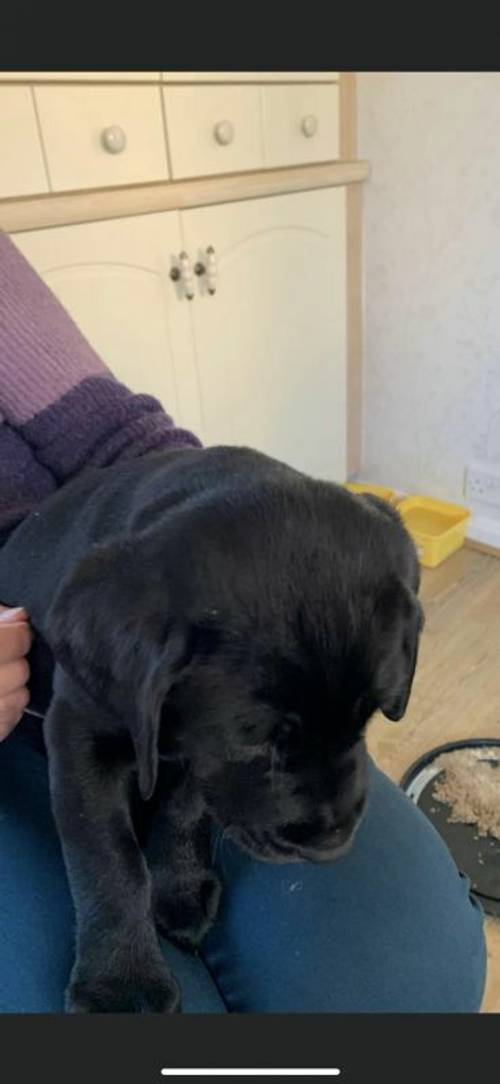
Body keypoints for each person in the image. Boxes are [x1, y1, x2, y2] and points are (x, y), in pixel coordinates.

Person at [0, 231, 486, 1013]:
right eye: (263, 740)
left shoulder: (163, 620)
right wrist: (116, 935)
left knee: (403, 978)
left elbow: (116, 438)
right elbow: (88, 735)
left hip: (127, 601)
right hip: (65, 683)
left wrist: (228, 509)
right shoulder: (131, 648)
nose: (332, 823)